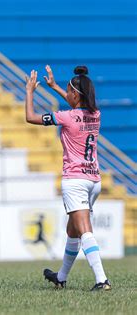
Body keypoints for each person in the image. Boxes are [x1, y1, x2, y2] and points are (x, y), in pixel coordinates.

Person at [25, 65, 111, 291]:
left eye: (67, 91)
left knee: (83, 230)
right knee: (72, 231)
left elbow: (30, 117)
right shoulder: (96, 114)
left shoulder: (66, 117)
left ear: (76, 94)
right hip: (94, 180)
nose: (66, 94)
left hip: (75, 180)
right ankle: (61, 277)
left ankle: (101, 280)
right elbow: (79, 105)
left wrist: (29, 91)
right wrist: (54, 87)